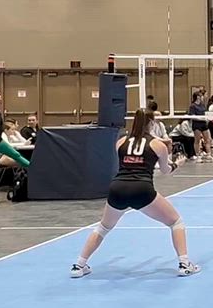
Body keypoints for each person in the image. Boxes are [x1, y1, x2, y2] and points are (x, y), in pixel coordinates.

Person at [70, 108, 200, 279]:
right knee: (176, 222)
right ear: (151, 123)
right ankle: (184, 264)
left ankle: (79, 265)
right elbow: (165, 170)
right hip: (141, 189)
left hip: (118, 188)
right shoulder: (158, 145)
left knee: (103, 227)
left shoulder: (120, 142)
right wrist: (177, 164)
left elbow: (129, 162)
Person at [187, 92, 212, 161]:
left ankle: (209, 155)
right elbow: (192, 116)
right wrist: (201, 118)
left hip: (204, 124)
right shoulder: (192, 106)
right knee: (197, 140)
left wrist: (208, 118)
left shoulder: (202, 105)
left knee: (207, 139)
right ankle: (198, 156)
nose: (203, 97)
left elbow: (205, 113)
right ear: (198, 97)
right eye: (201, 96)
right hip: (197, 124)